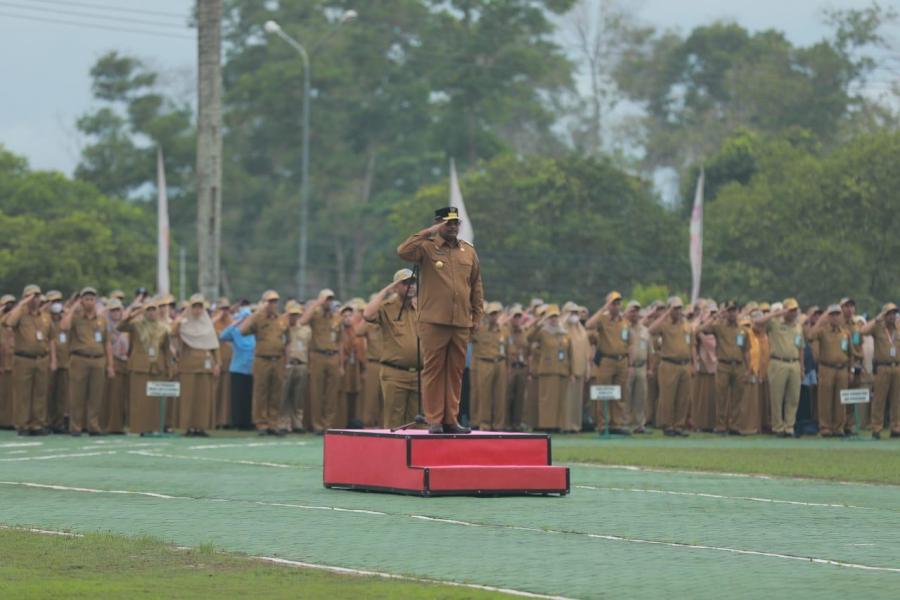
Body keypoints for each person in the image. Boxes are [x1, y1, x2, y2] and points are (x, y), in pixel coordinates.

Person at [397, 206, 485, 434]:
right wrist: (429, 231)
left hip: (461, 322)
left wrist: (477, 315)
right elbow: (403, 251)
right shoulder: (426, 248)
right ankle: (435, 419)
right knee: (434, 371)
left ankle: (451, 420)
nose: (454, 227)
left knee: (455, 372)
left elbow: (476, 285)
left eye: (457, 223)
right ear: (439, 223)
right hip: (434, 321)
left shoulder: (468, 251)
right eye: (448, 223)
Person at [363, 269, 420, 429]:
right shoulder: (387, 307)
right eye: (406, 283)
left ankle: (414, 455)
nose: (412, 286)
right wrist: (386, 290)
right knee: (394, 422)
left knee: (418, 423)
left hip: (419, 375)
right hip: (395, 374)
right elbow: (368, 314)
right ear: (396, 287)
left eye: (413, 282)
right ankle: (395, 455)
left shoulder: (421, 308)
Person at [60, 287, 112, 436]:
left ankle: (93, 426)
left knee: (95, 395)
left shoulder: (101, 320)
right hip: (79, 359)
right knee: (77, 395)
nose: (89, 301)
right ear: (82, 301)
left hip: (98, 360)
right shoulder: (75, 318)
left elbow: (107, 343)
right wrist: (74, 307)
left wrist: (110, 365)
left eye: (92, 299)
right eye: (86, 299)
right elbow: (64, 326)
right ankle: (75, 427)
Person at [117, 298, 172, 435]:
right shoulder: (136, 325)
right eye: (149, 310)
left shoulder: (164, 328)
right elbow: (120, 327)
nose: (152, 313)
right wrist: (134, 314)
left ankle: (154, 427)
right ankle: (139, 427)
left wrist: (169, 367)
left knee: (154, 400)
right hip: (140, 366)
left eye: (154, 309)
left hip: (157, 366)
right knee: (139, 399)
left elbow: (166, 350)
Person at [4, 285, 51, 436]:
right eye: (32, 296)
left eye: (37, 296)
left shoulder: (44, 316)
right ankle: (22, 424)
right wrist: (22, 304)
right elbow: (9, 323)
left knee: (40, 393)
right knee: (22, 394)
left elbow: (51, 337)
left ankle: (37, 424)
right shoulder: (20, 313)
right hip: (23, 358)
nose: (35, 299)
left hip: (41, 358)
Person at [240, 290, 288, 435]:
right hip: (262, 359)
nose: (272, 304)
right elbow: (243, 330)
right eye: (269, 301)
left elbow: (287, 338)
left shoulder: (281, 319)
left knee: (276, 392)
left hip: (278, 359)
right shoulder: (258, 318)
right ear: (264, 303)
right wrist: (256, 313)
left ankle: (273, 422)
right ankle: (261, 423)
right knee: (261, 392)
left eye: (274, 301)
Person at [754, 298, 805, 437]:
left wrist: (802, 367)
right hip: (778, 362)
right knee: (777, 397)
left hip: (794, 363)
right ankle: (778, 427)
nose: (794, 313)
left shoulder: (798, 326)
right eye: (791, 310)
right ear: (784, 310)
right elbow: (758, 322)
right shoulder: (775, 323)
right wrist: (775, 314)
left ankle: (789, 427)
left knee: (793, 398)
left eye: (795, 310)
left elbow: (801, 347)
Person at [173, 294, 220, 436]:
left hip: (205, 365)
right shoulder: (184, 323)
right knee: (188, 398)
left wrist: (217, 363)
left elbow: (214, 345)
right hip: (188, 365)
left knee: (203, 398)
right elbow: (172, 333)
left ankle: (201, 427)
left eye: (200, 307)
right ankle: (188, 427)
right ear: (190, 307)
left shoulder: (207, 324)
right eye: (195, 307)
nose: (197, 310)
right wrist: (179, 320)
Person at [585, 291, 632, 434]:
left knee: (619, 394)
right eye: (613, 303)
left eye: (618, 303)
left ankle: (616, 424)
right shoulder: (603, 319)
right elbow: (588, 324)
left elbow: (629, 343)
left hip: (621, 360)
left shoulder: (625, 322)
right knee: (604, 394)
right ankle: (603, 424)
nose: (617, 306)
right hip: (606, 360)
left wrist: (629, 363)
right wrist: (604, 308)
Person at [699, 301, 748, 434]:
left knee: (737, 398)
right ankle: (720, 426)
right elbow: (702, 329)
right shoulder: (719, 327)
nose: (732, 314)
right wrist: (717, 316)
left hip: (738, 365)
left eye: (734, 311)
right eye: (729, 311)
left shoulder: (743, 330)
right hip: (723, 365)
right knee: (721, 397)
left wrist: (747, 369)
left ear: (738, 312)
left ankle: (734, 426)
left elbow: (745, 350)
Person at [647, 296, 693, 437]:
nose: (678, 311)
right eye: (675, 308)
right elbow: (651, 330)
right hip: (669, 364)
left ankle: (679, 426)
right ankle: (667, 426)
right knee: (667, 397)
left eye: (680, 308)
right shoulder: (664, 324)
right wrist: (666, 313)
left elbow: (691, 341)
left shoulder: (685, 324)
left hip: (685, 364)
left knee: (683, 397)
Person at [300, 289, 342, 433]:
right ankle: (317, 424)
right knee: (317, 391)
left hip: (334, 356)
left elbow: (340, 341)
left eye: (331, 299)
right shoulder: (315, 315)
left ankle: (328, 424)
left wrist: (341, 363)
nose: (329, 302)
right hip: (318, 355)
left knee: (331, 393)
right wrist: (316, 303)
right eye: (326, 299)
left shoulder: (337, 317)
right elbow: (302, 321)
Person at [806, 304, 851, 437]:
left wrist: (850, 370)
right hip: (826, 368)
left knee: (840, 399)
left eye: (838, 314)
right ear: (828, 317)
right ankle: (825, 427)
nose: (836, 317)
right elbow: (810, 337)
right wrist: (821, 319)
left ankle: (838, 427)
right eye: (833, 315)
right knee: (825, 399)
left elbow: (850, 353)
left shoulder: (845, 333)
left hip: (842, 369)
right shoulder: (822, 330)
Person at [528, 305, 574, 430]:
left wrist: (572, 372)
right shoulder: (543, 332)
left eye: (556, 316)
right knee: (547, 400)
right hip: (548, 371)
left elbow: (570, 353)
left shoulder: (564, 333)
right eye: (551, 317)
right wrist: (540, 323)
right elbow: (529, 338)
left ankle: (559, 425)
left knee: (561, 400)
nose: (554, 319)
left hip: (563, 371)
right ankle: (547, 425)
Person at [859, 303, 900, 439]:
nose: (892, 316)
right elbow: (863, 331)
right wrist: (877, 319)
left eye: (894, 313)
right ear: (884, 315)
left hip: (897, 366)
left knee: (897, 400)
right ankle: (876, 428)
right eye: (889, 313)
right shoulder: (878, 327)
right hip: (882, 367)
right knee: (879, 399)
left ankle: (896, 428)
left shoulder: (899, 327)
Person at [470, 302, 509, 431]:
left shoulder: (503, 330)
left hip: (500, 363)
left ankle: (498, 425)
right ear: (487, 315)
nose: (494, 316)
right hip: (484, 363)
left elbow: (507, 348)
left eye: (496, 313)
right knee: (484, 395)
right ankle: (484, 424)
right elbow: (467, 337)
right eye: (492, 314)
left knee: (500, 396)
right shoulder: (479, 329)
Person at [219, 306, 256, 430]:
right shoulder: (235, 331)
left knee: (249, 397)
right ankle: (238, 422)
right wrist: (236, 322)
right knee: (238, 397)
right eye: (244, 318)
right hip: (238, 369)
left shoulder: (254, 332)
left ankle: (249, 421)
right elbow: (222, 336)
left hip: (252, 369)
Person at [281, 301, 310, 433]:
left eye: (296, 314)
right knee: (284, 395)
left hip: (301, 364)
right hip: (288, 364)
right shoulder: (283, 328)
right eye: (291, 314)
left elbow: (309, 347)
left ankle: (297, 422)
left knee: (298, 396)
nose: (294, 317)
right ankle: (284, 422)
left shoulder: (306, 330)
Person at [625, 300, 653, 433]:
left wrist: (650, 368)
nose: (635, 313)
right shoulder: (623, 328)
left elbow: (650, 351)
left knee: (641, 397)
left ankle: (639, 425)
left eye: (637, 311)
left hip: (642, 366)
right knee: (626, 395)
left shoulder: (645, 331)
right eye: (632, 310)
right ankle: (625, 424)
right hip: (627, 366)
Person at [103, 298, 129, 434]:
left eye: (118, 309)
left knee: (124, 397)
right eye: (112, 310)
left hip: (127, 363)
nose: (115, 313)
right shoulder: (106, 327)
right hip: (114, 362)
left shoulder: (127, 326)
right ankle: (113, 426)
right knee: (114, 397)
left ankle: (123, 425)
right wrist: (110, 365)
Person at [338, 304, 366, 428]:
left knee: (356, 394)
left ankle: (354, 422)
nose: (348, 318)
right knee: (343, 394)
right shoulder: (339, 332)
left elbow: (361, 349)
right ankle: (342, 422)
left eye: (350, 315)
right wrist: (340, 365)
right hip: (344, 365)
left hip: (355, 366)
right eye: (345, 316)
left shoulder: (356, 331)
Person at [691, 302, 717, 432]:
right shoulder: (699, 326)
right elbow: (695, 331)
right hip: (703, 365)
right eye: (709, 312)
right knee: (702, 397)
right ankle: (700, 423)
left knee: (714, 397)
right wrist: (706, 318)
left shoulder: (718, 326)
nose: (713, 315)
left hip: (717, 366)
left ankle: (713, 424)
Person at [46, 291, 69, 433]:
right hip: (48, 363)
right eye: (53, 301)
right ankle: (47, 422)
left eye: (59, 301)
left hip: (64, 363)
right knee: (48, 394)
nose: (56, 304)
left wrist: (65, 311)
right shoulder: (44, 320)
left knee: (62, 395)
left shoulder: (64, 320)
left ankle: (58, 423)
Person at [506, 305, 531, 432]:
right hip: (510, 367)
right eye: (515, 316)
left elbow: (527, 350)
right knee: (507, 396)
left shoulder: (523, 332)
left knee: (520, 397)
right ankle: (506, 423)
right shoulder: (505, 330)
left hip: (522, 367)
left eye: (519, 317)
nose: (517, 319)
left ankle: (517, 422)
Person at [212, 298, 233, 428]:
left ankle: (224, 420)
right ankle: (213, 419)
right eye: (222, 308)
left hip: (229, 360)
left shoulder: (230, 322)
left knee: (226, 392)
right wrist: (218, 315)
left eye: (227, 308)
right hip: (216, 360)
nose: (225, 312)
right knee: (215, 391)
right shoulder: (212, 321)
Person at [0, 294, 15, 430]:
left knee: (12, 395)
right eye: (6, 305)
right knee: (3, 394)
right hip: (3, 362)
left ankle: (10, 421)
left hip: (13, 362)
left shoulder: (14, 323)